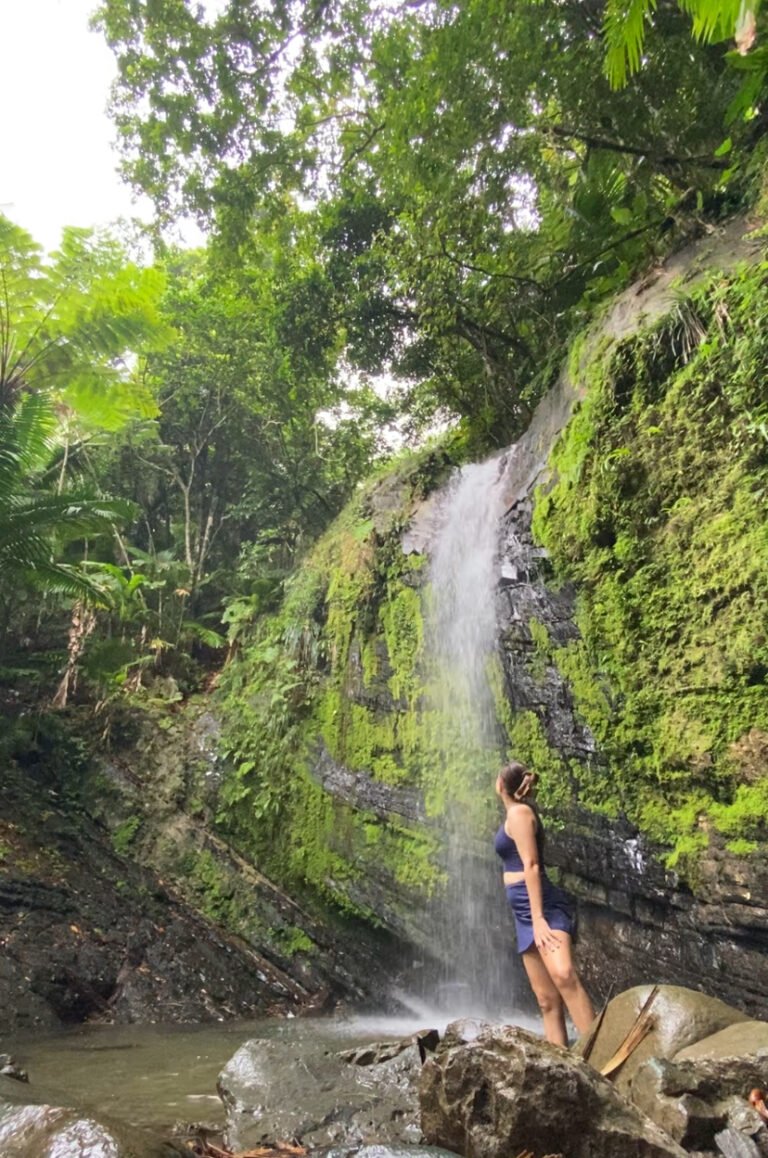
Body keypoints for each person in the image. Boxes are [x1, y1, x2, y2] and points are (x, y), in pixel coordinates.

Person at [494, 760, 595, 1045]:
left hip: (541, 908)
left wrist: (539, 919)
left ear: (502, 785)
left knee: (564, 976)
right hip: (523, 914)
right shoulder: (514, 814)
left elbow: (532, 865)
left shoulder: (520, 813)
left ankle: (599, 1054)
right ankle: (560, 1064)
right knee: (546, 1000)